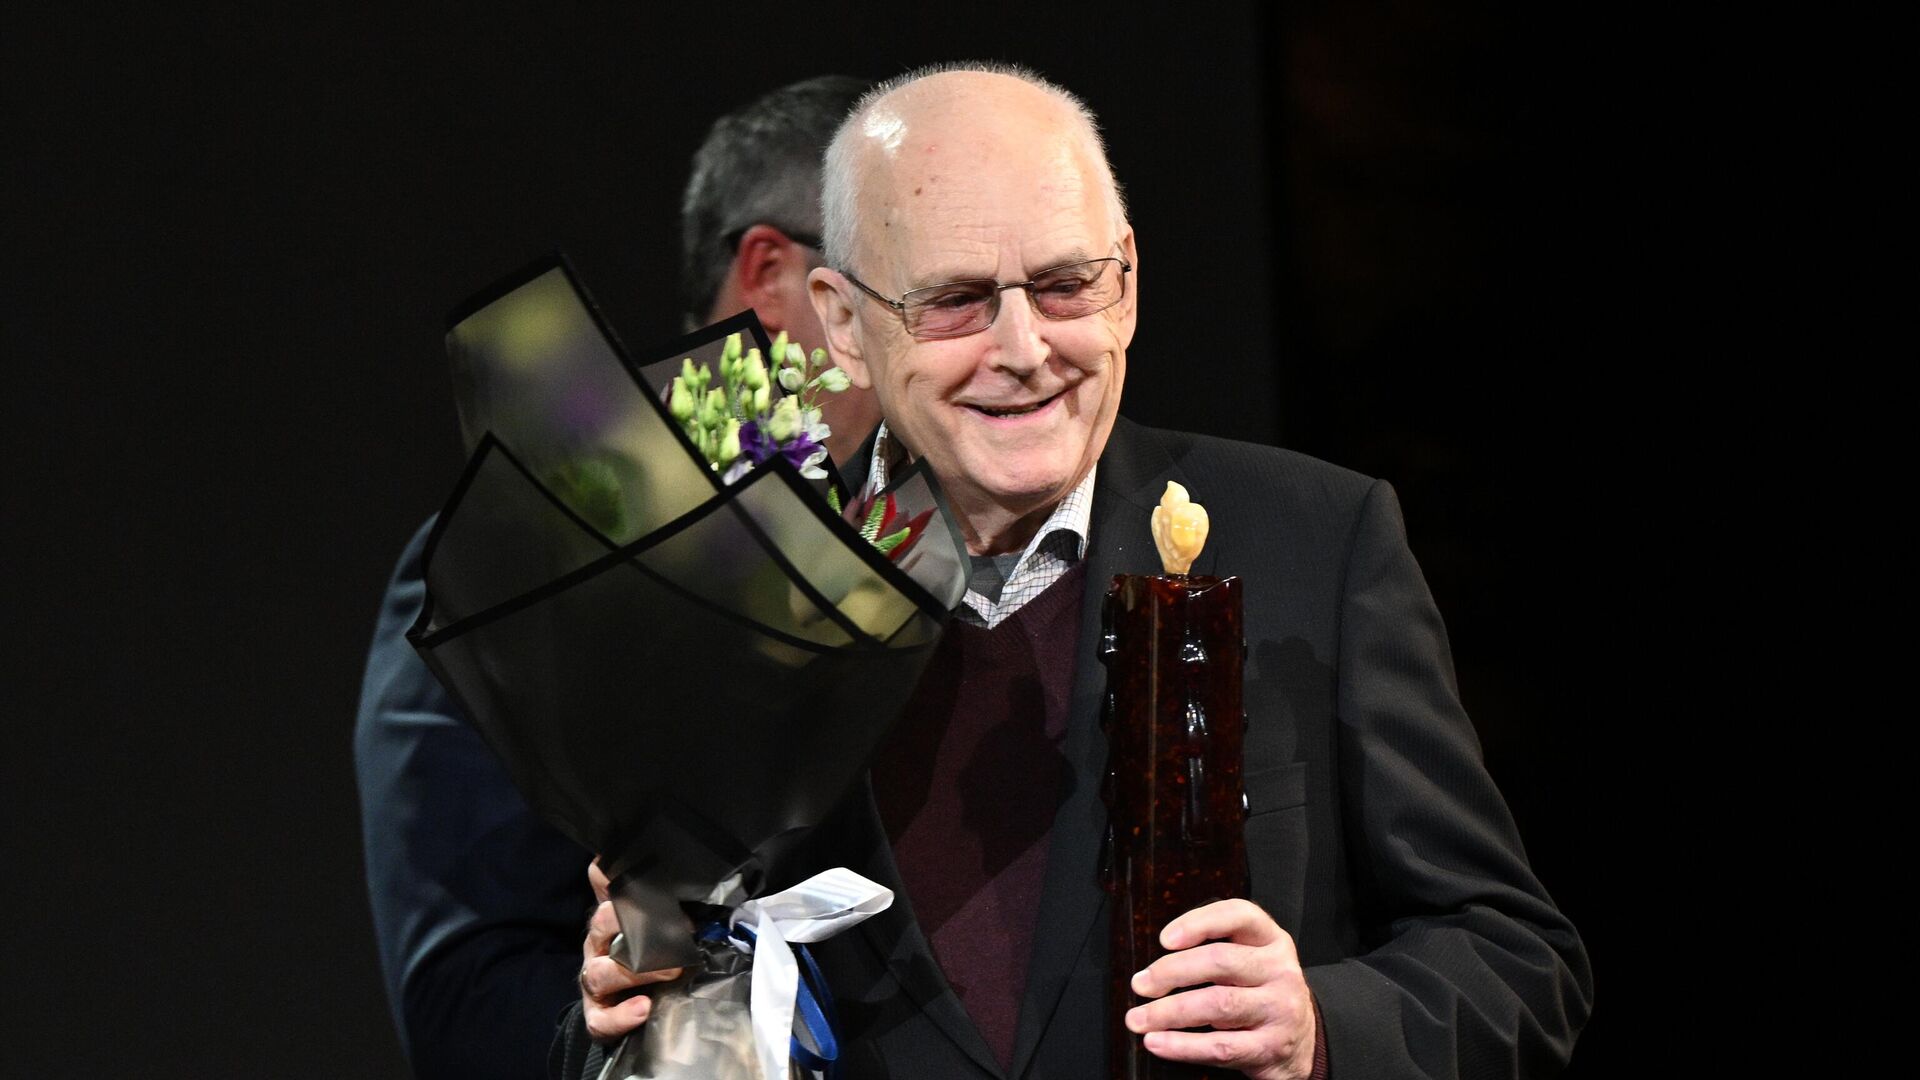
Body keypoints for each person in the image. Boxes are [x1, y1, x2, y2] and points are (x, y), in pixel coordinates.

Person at [569, 63, 1593, 1079]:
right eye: (957, 301)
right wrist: (634, 1014)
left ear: (1128, 282)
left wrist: (1321, 1030)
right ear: (841, 323)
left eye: (1066, 285)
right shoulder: (736, 592)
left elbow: (1515, 963)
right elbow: (641, 1017)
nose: (1026, 348)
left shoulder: (1317, 542)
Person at [353, 74, 874, 1080]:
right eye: (888, 285)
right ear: (771, 276)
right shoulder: (526, 550)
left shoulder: (920, 552)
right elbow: (464, 987)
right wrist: (668, 1034)